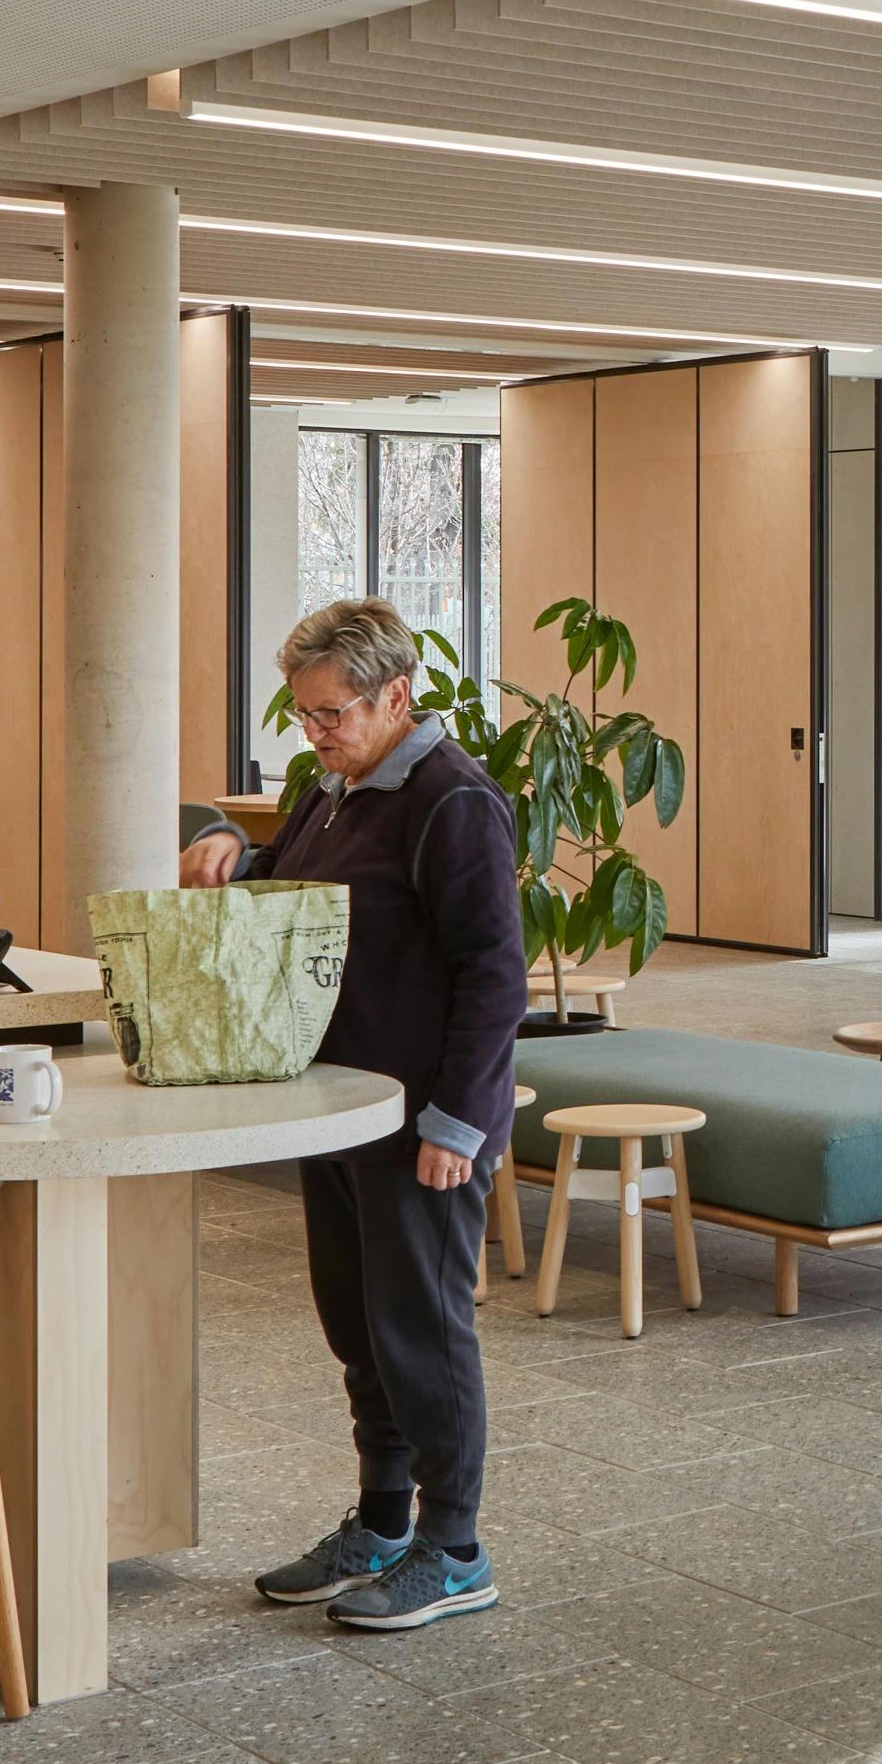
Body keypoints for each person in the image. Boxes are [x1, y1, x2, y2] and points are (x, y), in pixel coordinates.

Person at [183, 599, 529, 1632]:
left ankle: (454, 1548)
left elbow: (494, 977)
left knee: (421, 1333)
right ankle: (382, 1524)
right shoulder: (335, 792)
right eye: (304, 716)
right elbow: (285, 887)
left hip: (423, 1124)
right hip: (336, 1112)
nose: (316, 734)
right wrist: (220, 848)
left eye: (332, 715)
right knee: (360, 1331)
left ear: (394, 696)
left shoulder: (451, 801)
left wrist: (457, 1127)